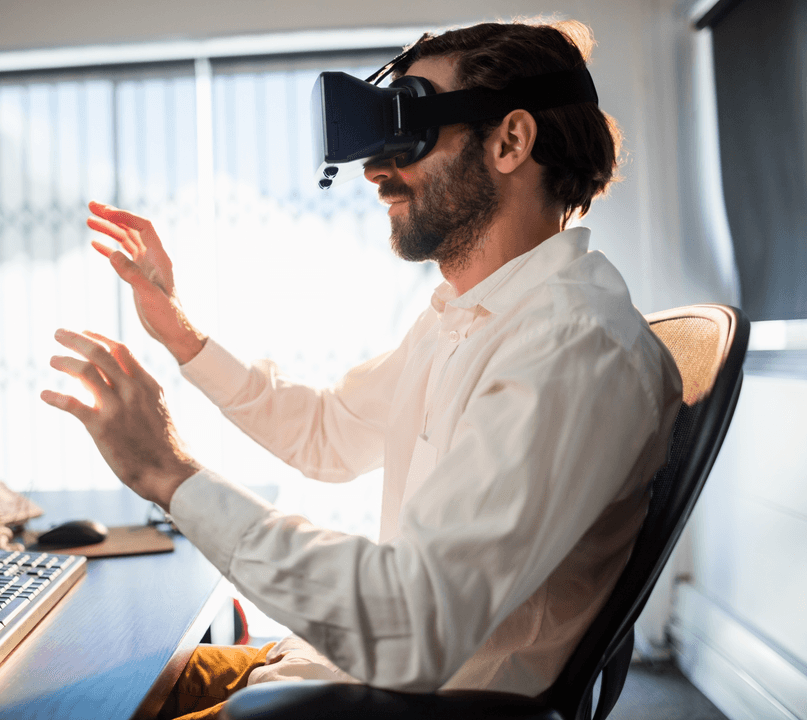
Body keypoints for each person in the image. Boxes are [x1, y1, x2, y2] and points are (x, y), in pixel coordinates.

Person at [40, 19, 682, 720]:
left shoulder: (572, 348)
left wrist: (167, 472)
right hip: (324, 671)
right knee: (65, 679)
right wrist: (184, 335)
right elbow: (329, 433)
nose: (374, 170)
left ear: (510, 141)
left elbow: (411, 623)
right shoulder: (470, 318)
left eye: (405, 128)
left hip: (393, 705)